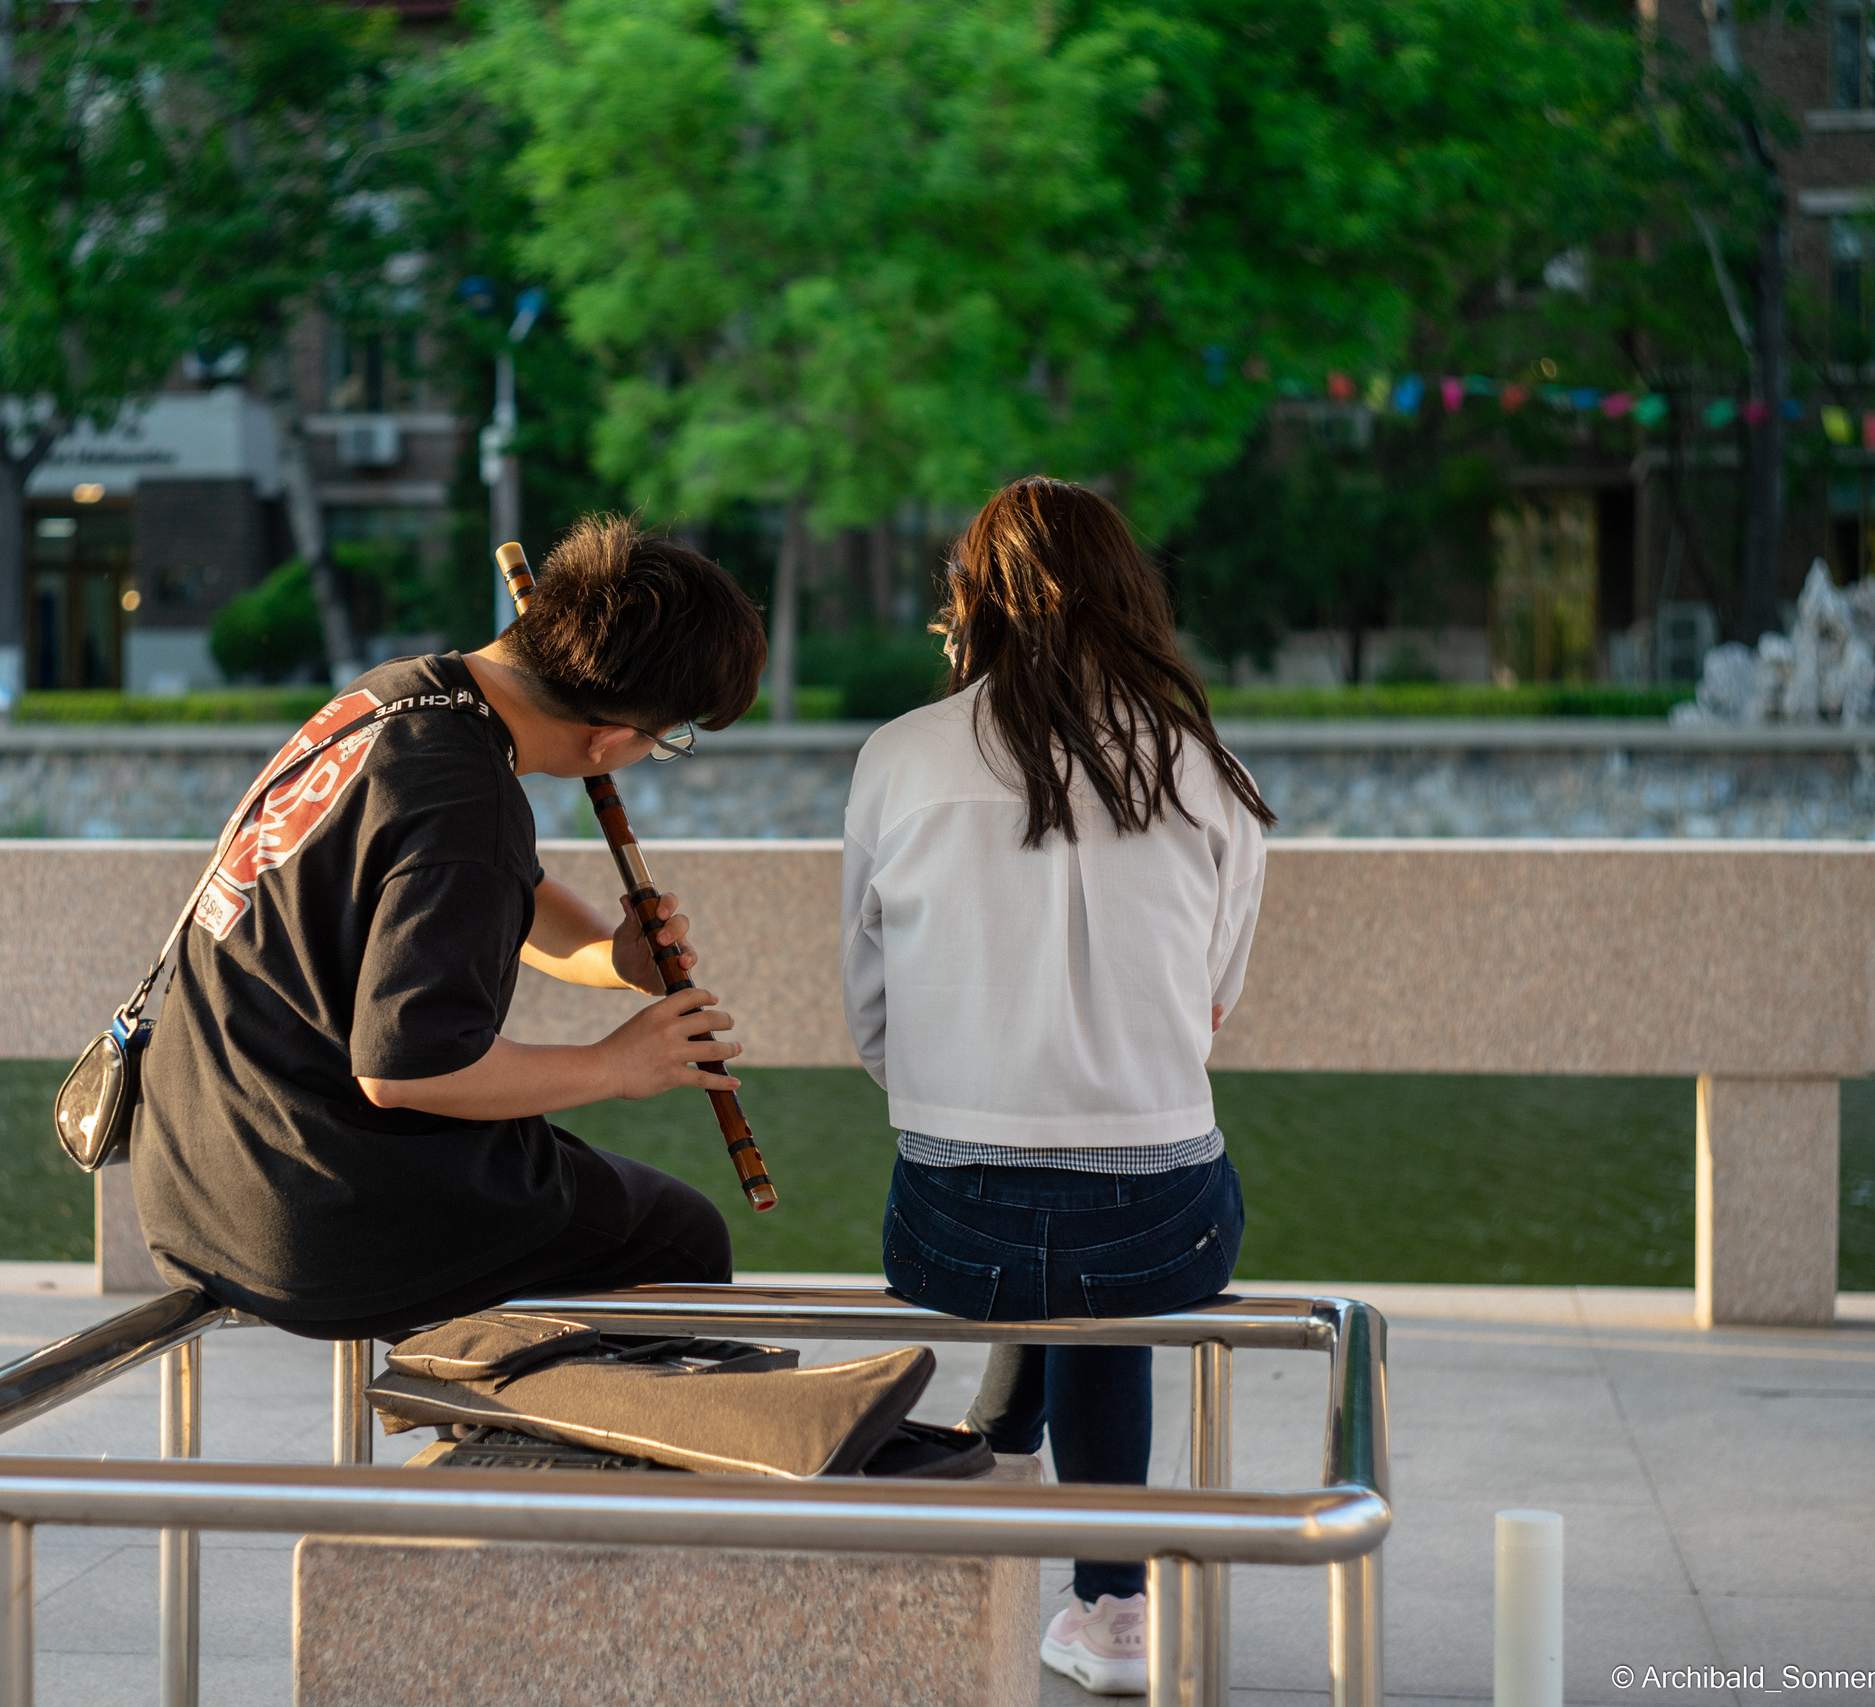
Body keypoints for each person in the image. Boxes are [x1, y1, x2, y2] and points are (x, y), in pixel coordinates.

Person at [840, 477, 1273, 1696]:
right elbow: (1209, 1007)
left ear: (970, 604)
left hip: (949, 1229)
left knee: (1047, 1231)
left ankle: (1000, 1443)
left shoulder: (897, 757)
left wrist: (978, 1072)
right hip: (1159, 1227)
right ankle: (1111, 1606)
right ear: (1132, 599)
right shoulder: (1206, 769)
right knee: (1105, 1259)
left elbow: (870, 1016)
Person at [134, 517, 767, 1340]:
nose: (653, 750)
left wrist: (612, 958)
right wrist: (616, 1064)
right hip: (310, 1208)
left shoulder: (400, 696)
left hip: (192, 1175)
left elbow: (499, 891)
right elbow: (410, 1069)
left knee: (570, 1179)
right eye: (665, 738)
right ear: (609, 739)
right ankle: (505, 1416)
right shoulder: (470, 801)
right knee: (679, 1238)